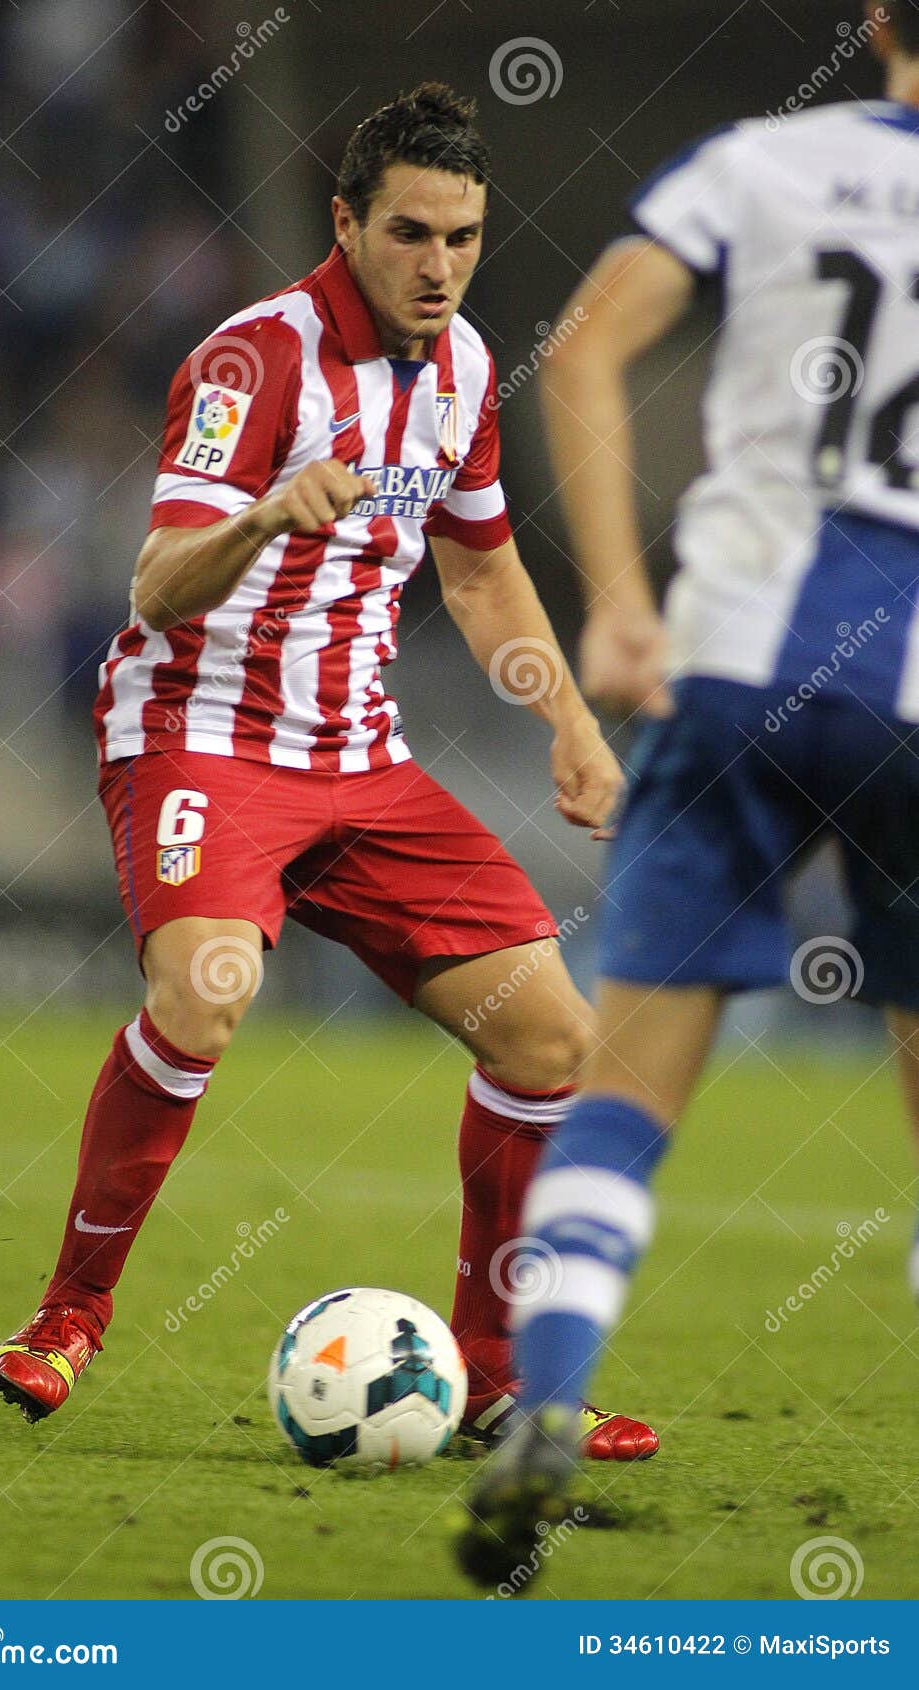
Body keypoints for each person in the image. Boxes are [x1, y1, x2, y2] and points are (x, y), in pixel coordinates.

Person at [0, 83, 656, 1462]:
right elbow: (158, 584)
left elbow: (478, 572)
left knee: (553, 1039)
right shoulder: (254, 362)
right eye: (409, 232)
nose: (438, 265)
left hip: (362, 757)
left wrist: (571, 723)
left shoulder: (465, 367)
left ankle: (490, 1375)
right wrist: (269, 513)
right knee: (211, 992)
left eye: (462, 237)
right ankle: (66, 1318)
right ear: (346, 223)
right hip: (205, 734)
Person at [456, 0, 919, 1587]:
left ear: (873, 24)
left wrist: (616, 600)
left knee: (626, 1090)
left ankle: (550, 1401)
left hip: (726, 665)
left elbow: (582, 344)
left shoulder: (762, 161)